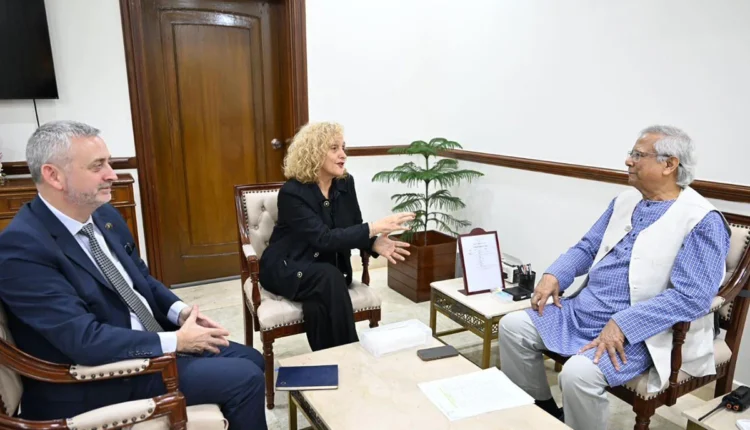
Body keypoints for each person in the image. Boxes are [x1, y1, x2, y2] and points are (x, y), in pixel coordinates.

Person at [0, 121, 266, 429]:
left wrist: (180, 312)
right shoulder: (22, 248)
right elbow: (83, 340)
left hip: (141, 346)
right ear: (53, 176)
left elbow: (141, 280)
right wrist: (175, 341)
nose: (112, 174)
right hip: (93, 378)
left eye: (109, 163)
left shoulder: (102, 214)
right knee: (245, 378)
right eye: (98, 166)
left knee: (252, 358)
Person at [498, 125, 730, 430]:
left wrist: (624, 323)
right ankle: (544, 413)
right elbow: (587, 247)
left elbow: (692, 297)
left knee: (578, 374)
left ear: (669, 164)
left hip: (641, 333)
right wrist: (554, 274)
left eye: (638, 155)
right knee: (513, 326)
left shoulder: (702, 220)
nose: (628, 160)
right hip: (583, 311)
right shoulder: (625, 200)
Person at [259, 121, 414, 351]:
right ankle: (351, 354)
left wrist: (373, 243)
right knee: (329, 277)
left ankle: (330, 359)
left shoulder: (345, 183)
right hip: (287, 267)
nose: (343, 155)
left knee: (322, 294)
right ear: (314, 153)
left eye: (343, 147)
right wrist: (374, 228)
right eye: (334, 148)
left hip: (326, 272)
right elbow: (323, 238)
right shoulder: (292, 192)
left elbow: (353, 226)